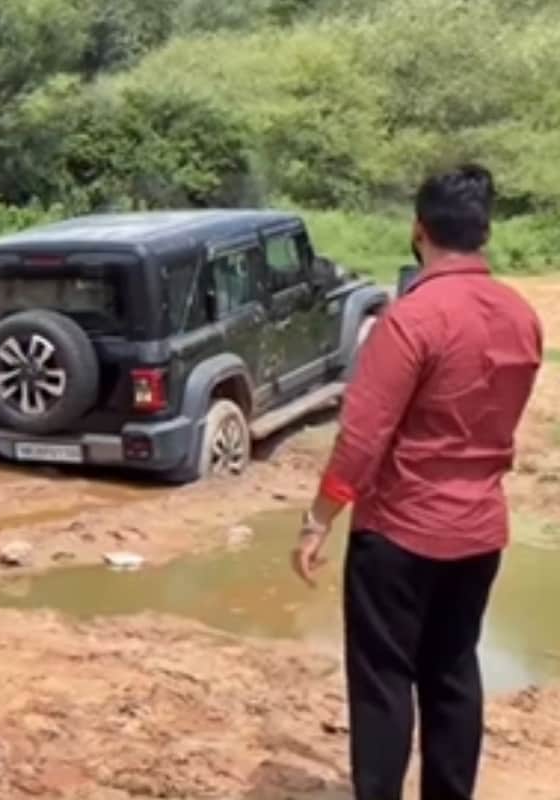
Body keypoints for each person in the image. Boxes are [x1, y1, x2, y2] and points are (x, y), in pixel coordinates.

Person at [291, 164, 542, 800]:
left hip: (400, 534)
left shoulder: (411, 320)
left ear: (417, 231)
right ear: (485, 231)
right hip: (480, 532)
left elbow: (362, 438)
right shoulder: (521, 316)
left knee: (383, 680)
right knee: (453, 672)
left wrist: (319, 519)